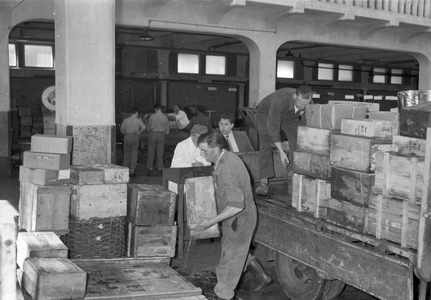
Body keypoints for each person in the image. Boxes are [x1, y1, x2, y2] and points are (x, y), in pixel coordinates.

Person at [194, 132, 272, 300]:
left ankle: (223, 294)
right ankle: (261, 276)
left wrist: (210, 222)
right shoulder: (224, 159)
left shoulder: (228, 168)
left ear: (216, 149)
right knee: (236, 251)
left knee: (229, 261)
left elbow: (236, 206)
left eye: (204, 151)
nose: (202, 154)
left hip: (239, 219)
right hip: (234, 218)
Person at [254, 85, 313, 196]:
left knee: (297, 142)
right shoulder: (280, 100)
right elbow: (273, 127)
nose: (302, 107)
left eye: (306, 104)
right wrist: (281, 152)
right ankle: (263, 182)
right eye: (300, 103)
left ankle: (292, 176)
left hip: (288, 116)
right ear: (295, 96)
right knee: (265, 143)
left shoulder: (306, 104)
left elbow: (305, 126)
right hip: (265, 113)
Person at [168, 124, 211, 192]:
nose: (202, 140)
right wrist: (192, 165)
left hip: (198, 178)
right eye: (199, 137)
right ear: (192, 135)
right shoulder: (182, 145)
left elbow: (208, 162)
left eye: (204, 138)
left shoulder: (205, 145)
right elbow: (175, 165)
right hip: (181, 179)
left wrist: (202, 165)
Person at [120, 107, 146, 177]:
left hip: (127, 137)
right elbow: (143, 127)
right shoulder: (138, 121)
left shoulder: (125, 120)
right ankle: (132, 171)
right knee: (134, 153)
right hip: (135, 137)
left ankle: (125, 171)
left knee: (126, 154)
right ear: (137, 113)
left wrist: (125, 133)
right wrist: (139, 132)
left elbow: (121, 130)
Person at [146, 104, 169, 176]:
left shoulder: (152, 116)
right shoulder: (165, 117)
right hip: (161, 135)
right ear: (161, 109)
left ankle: (150, 169)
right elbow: (167, 131)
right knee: (160, 153)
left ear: (155, 109)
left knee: (151, 152)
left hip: (152, 134)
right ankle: (160, 170)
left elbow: (148, 128)